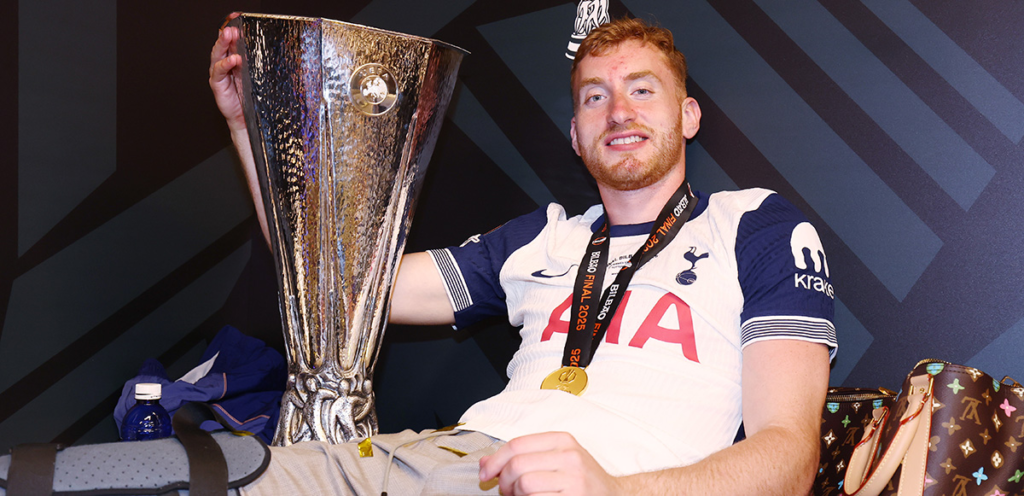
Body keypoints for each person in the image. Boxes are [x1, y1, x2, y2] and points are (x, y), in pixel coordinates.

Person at [210, 14, 835, 496]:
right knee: (202, 475)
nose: (619, 112)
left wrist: (615, 492)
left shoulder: (753, 224)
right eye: (595, 97)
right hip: (437, 460)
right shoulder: (545, 236)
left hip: (604, 482)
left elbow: (789, 457)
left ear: (688, 115)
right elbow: (341, 285)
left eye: (643, 90)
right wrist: (251, 129)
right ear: (576, 136)